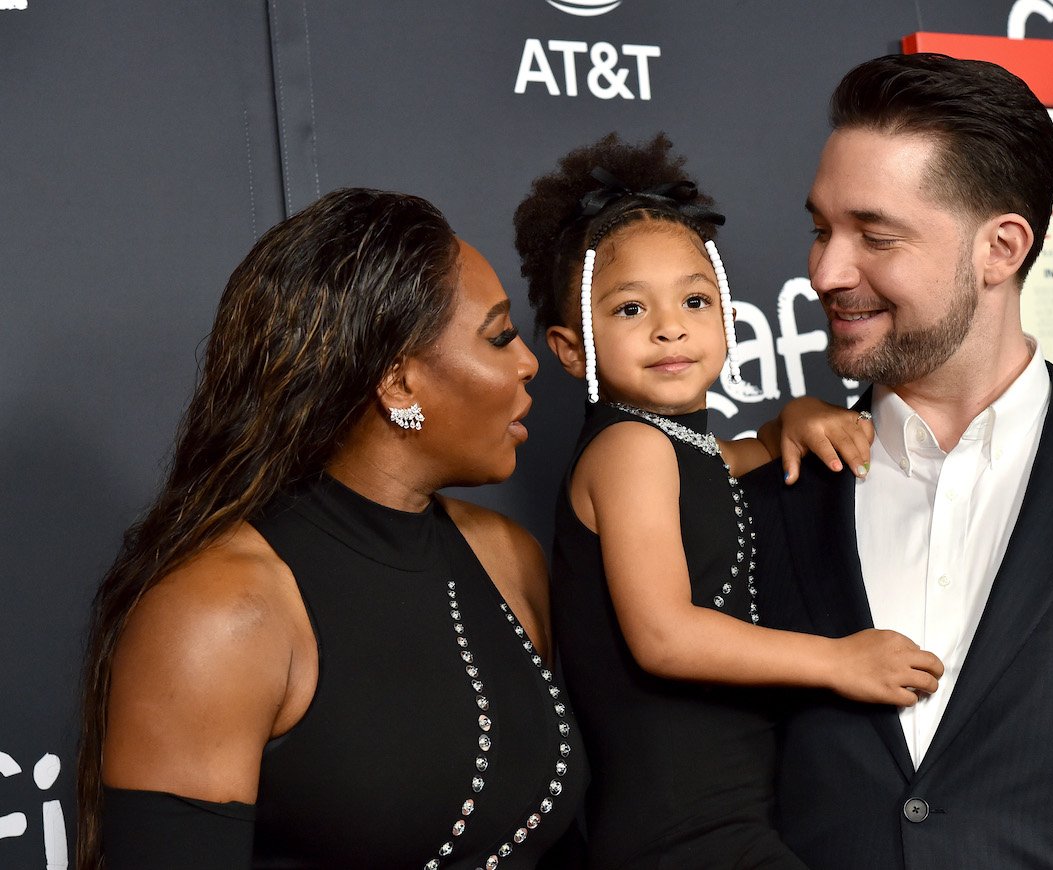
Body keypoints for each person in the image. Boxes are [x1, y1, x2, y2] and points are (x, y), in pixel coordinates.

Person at [744, 52, 1053, 868]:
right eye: (821, 228)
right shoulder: (766, 491)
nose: (825, 271)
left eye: (874, 235)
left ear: (1001, 249)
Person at [78, 188, 586, 869]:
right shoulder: (218, 614)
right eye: (498, 337)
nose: (528, 362)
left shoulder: (507, 559)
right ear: (398, 384)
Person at [513, 133, 944, 869]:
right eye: (627, 311)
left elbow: (733, 458)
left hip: (723, 815)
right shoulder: (630, 451)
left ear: (725, 315)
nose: (669, 326)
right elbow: (666, 636)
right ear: (571, 350)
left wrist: (792, 419)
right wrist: (840, 662)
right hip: (681, 829)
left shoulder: (674, 446)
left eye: (693, 299)